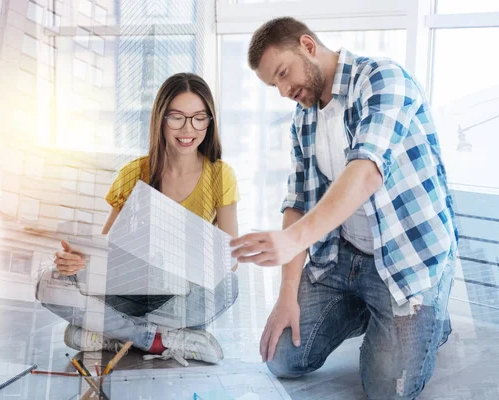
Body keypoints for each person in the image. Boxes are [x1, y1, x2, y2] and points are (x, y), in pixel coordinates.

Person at [230, 17, 458, 399]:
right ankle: (369, 311)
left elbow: (366, 170)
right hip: (344, 259)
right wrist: (287, 294)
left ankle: (431, 316)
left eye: (284, 74)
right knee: (282, 359)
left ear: (307, 45)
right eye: (275, 85)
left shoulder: (382, 79)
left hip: (407, 260)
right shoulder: (303, 116)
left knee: (386, 389)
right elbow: (298, 200)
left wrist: (292, 240)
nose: (285, 91)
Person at [36, 72, 240, 367]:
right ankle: (157, 340)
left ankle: (114, 333)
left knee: (230, 284)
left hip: (177, 297)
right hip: (129, 291)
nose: (188, 129)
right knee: (47, 281)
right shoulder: (133, 173)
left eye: (199, 118)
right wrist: (77, 262)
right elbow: (103, 250)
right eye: (177, 118)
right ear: (160, 119)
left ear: (210, 121)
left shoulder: (221, 175)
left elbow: (229, 257)